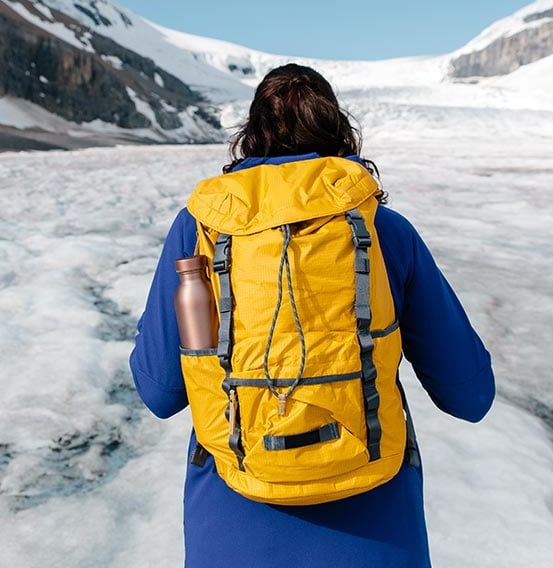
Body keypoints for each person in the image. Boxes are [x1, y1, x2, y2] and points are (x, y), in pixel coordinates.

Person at [130, 63, 495, 568]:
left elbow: (159, 392)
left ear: (249, 136)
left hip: (233, 528)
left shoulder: (201, 230)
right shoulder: (384, 229)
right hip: (376, 528)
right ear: (339, 132)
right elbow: (470, 396)